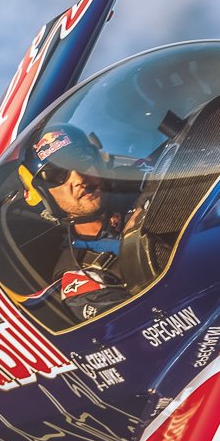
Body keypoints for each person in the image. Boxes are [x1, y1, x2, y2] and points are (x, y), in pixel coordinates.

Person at [23, 124, 139, 317]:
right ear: (44, 195)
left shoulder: (143, 180)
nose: (78, 179)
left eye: (80, 160)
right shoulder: (81, 280)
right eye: (56, 175)